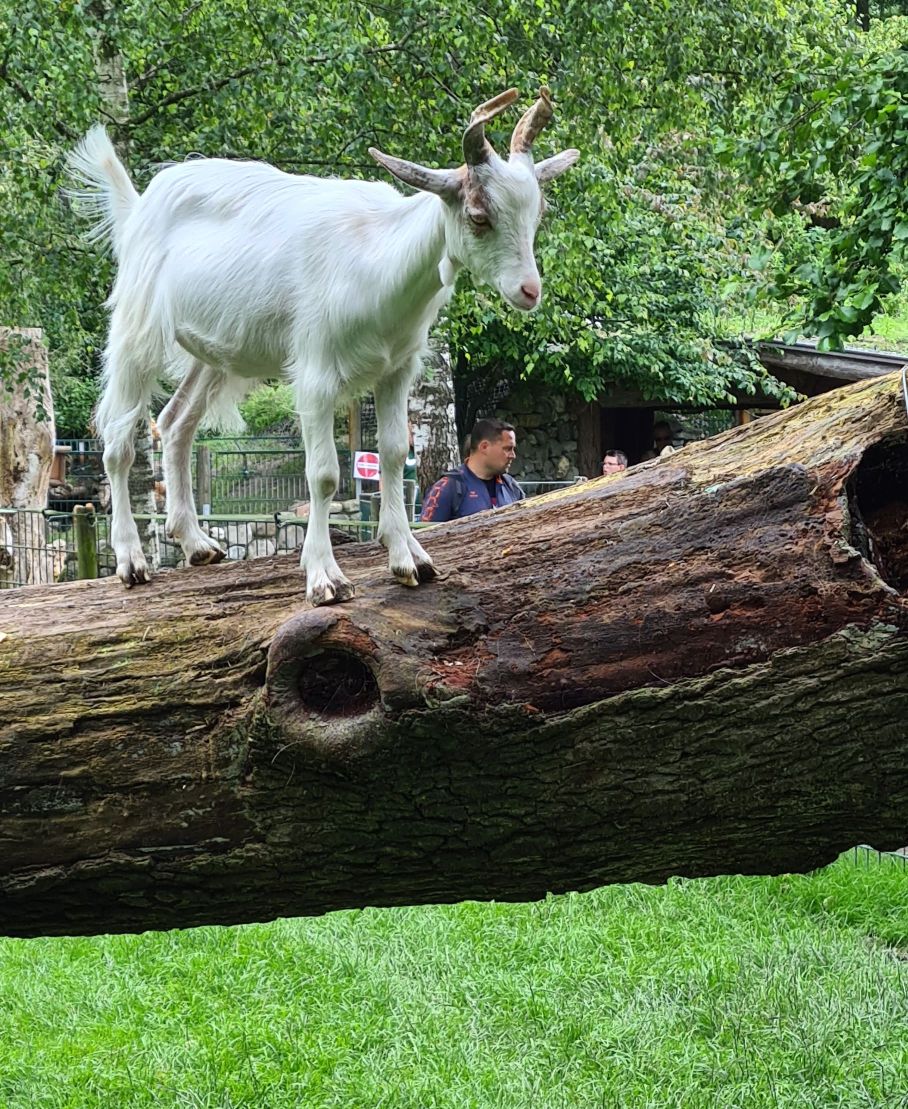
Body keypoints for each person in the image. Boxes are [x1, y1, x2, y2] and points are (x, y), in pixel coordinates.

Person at [420, 417, 525, 522]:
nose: (513, 455)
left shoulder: (511, 487)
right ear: (484, 447)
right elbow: (425, 531)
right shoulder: (447, 487)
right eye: (507, 449)